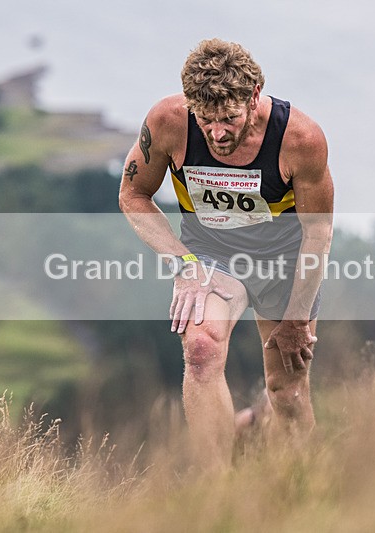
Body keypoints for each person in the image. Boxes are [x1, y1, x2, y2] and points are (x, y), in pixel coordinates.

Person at [119, 39, 334, 469]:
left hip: (284, 262)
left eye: (229, 118)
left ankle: (303, 488)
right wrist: (183, 265)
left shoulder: (300, 139)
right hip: (210, 256)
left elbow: (318, 234)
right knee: (199, 350)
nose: (217, 133)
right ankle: (217, 494)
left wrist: (295, 320)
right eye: (206, 120)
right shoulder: (168, 121)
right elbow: (133, 195)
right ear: (189, 105)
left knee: (287, 392)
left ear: (254, 98)